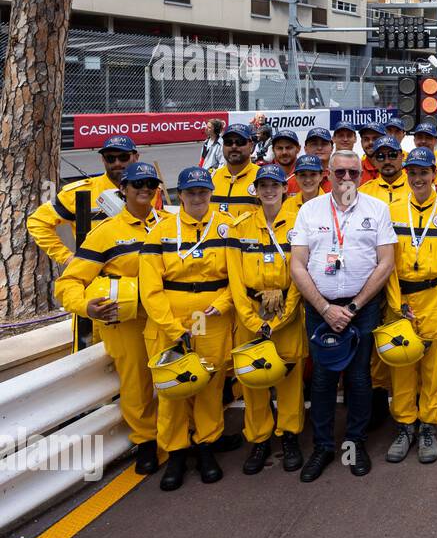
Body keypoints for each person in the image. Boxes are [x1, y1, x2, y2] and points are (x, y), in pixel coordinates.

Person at [288, 150, 397, 483]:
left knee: (359, 379)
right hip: (320, 308)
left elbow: (386, 262)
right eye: (340, 173)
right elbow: (296, 264)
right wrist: (324, 308)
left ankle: (354, 443)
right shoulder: (309, 210)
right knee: (322, 379)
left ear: (361, 176)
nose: (347, 179)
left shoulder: (377, 209)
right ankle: (323, 446)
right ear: (328, 174)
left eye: (353, 173)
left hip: (360, 310)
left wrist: (352, 307)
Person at [55, 161, 165, 475]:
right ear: (122, 190)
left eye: (150, 185)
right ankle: (146, 442)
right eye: (137, 185)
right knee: (136, 384)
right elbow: (69, 283)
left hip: (168, 318)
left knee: (177, 376)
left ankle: (187, 436)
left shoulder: (170, 224)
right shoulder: (106, 233)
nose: (144, 190)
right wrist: (86, 306)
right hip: (127, 321)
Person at [138, 166, 238, 491]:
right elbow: (149, 287)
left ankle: (206, 445)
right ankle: (176, 452)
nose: (197, 197)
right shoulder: (161, 231)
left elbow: (237, 277)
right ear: (178, 195)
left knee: (210, 384)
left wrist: (222, 304)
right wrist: (169, 326)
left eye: (203, 191)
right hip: (170, 317)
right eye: (191, 192)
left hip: (211, 318)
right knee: (172, 391)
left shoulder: (226, 227)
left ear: (210, 193)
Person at [383, 147, 437, 466]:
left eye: (424, 172)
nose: (418, 178)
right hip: (401, 300)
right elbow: (384, 263)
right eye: (413, 173)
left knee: (433, 370)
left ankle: (428, 424)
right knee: (402, 367)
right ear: (407, 175)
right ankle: (405, 425)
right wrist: (395, 303)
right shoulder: (390, 212)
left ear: (434, 174)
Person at [226, 164, 306, 474]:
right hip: (252, 312)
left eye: (275, 184)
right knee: (253, 379)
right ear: (256, 190)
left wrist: (283, 317)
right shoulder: (240, 226)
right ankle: (259, 438)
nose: (270, 190)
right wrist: (250, 318)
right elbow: (234, 278)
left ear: (286, 188)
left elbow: (302, 274)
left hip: (288, 310)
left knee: (289, 379)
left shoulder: (299, 224)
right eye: (264, 185)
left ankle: (289, 435)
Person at [28, 135, 140, 268]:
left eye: (123, 157)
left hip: (143, 272)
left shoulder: (150, 190)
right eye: (110, 158)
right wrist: (67, 258)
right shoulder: (78, 193)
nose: (117, 163)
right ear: (103, 160)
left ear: (136, 157)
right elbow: (37, 222)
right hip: (98, 277)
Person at [210, 122, 260, 216]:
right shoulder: (211, 178)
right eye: (228, 142)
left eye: (240, 142)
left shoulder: (262, 178)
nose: (234, 146)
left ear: (251, 146)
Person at [359, 135, 409, 205]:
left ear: (402, 156)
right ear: (374, 161)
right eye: (380, 156)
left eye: (392, 155)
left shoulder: (417, 188)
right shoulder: (362, 193)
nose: (387, 161)